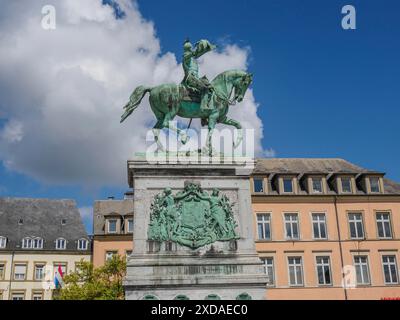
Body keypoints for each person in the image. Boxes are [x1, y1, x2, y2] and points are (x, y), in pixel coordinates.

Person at [181, 39, 216, 111]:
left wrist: (206, 48)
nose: (191, 49)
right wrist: (194, 52)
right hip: (190, 78)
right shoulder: (186, 56)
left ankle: (204, 115)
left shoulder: (192, 59)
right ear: (189, 49)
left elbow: (198, 54)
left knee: (210, 87)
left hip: (196, 78)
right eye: (190, 48)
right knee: (204, 88)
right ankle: (204, 107)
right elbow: (189, 56)